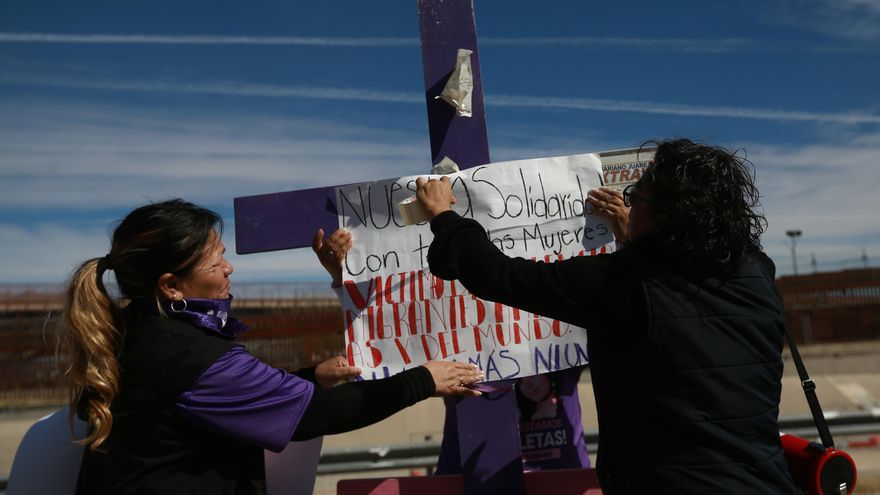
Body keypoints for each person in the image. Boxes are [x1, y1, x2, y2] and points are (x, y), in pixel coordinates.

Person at [415, 139, 796, 494]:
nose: (630, 205)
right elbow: (682, 291)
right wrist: (637, 238)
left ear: (664, 213)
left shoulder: (623, 281)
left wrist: (445, 217)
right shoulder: (757, 273)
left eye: (637, 196)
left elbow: (503, 277)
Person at [61, 199, 483, 495]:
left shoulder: (134, 332)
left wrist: (308, 377)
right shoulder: (186, 352)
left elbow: (206, 403)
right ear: (170, 285)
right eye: (215, 262)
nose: (228, 268)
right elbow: (318, 415)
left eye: (224, 254)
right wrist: (424, 380)